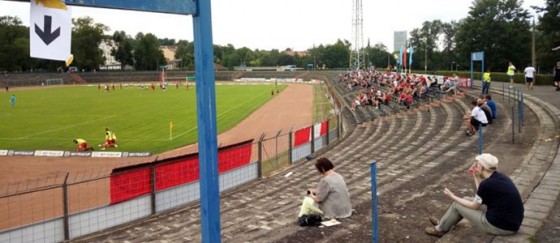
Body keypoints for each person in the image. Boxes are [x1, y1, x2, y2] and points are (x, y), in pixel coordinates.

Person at [425, 153, 524, 237]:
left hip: (500, 227)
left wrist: (452, 196)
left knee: (457, 204)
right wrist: (476, 176)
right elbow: (481, 194)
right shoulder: (499, 177)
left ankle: (440, 230)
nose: (475, 165)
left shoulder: (487, 184)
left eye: (476, 164)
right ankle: (443, 224)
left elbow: (474, 206)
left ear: (482, 167)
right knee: (466, 198)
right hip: (511, 223)